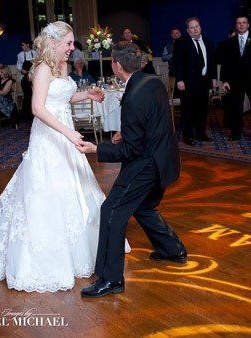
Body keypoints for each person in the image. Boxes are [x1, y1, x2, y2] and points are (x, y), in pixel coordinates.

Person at [0, 22, 130, 293]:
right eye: (69, 43)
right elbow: (38, 108)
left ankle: (88, 247)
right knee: (47, 191)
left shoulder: (62, 66)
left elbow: (61, 98)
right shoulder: (42, 68)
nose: (73, 48)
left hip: (64, 132)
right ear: (55, 42)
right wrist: (69, 134)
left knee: (75, 186)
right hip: (48, 136)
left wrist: (87, 94)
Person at [78, 41, 187, 298]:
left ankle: (110, 279)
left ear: (116, 66)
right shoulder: (152, 82)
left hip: (146, 164)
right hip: (164, 158)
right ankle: (173, 250)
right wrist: (125, 133)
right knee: (143, 206)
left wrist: (97, 149)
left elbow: (130, 152)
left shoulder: (134, 98)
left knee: (112, 210)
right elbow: (153, 121)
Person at [173, 17, 217, 146]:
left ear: (200, 27)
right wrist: (179, 80)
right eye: (192, 27)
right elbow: (178, 63)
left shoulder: (208, 42)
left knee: (202, 109)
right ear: (187, 30)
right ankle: (188, 136)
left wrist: (214, 78)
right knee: (188, 110)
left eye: (197, 26)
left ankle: (201, 133)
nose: (195, 29)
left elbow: (212, 62)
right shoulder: (181, 42)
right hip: (187, 82)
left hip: (204, 81)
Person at [220, 16, 251, 140]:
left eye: (244, 23)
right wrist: (225, 80)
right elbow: (225, 63)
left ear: (248, 25)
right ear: (236, 26)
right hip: (235, 80)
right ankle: (236, 134)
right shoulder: (229, 42)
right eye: (239, 23)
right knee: (236, 108)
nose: (241, 25)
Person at [16, 40, 37, 120]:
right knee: (27, 96)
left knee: (34, 95)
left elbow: (37, 63)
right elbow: (18, 66)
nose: (22, 47)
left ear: (28, 45)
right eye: (21, 45)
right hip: (24, 78)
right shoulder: (20, 55)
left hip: (34, 77)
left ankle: (35, 112)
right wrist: (22, 70)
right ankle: (27, 115)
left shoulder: (34, 53)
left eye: (23, 45)